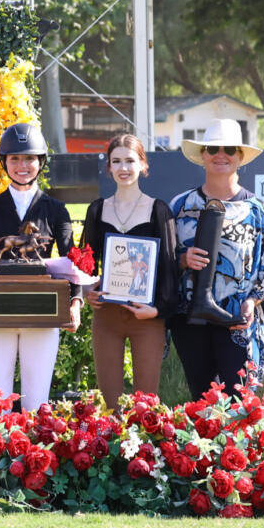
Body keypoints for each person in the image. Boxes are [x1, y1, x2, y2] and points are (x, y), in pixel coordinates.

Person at [0, 122, 82, 410]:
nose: (22, 165)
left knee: (36, 403)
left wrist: (75, 300)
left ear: (41, 162)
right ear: (4, 162)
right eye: (14, 158)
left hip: (42, 315)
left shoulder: (56, 209)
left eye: (29, 158)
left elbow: (70, 258)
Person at [169, 119, 264, 399]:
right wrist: (182, 259)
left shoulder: (259, 213)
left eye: (230, 149)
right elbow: (159, 259)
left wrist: (252, 300)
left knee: (241, 407)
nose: (220, 154)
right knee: (201, 403)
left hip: (238, 321)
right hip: (190, 322)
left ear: (241, 157)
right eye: (213, 148)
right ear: (202, 155)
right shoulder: (180, 206)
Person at [83, 133, 179, 409]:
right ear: (109, 167)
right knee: (109, 405)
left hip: (146, 317)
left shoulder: (158, 210)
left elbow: (170, 268)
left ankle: (144, 453)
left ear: (143, 165)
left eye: (130, 160)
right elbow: (85, 264)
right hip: (107, 317)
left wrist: (158, 310)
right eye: (116, 161)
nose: (123, 168)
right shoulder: (97, 210)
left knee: (145, 406)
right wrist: (87, 290)